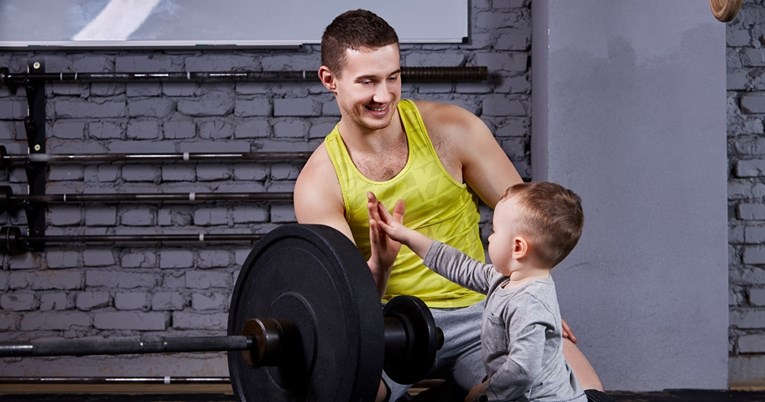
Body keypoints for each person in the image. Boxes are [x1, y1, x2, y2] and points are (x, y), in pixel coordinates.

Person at [293, 8, 603, 402]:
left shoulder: (453, 129)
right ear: (329, 80)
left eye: (393, 77)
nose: (383, 95)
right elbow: (349, 307)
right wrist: (380, 266)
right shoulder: (318, 183)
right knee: (346, 393)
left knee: (585, 391)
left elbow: (536, 224)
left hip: (483, 312)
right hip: (391, 325)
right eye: (367, 82)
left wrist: (529, 302)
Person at [371, 181, 600, 402]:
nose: (489, 236)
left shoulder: (529, 304)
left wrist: (487, 391)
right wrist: (407, 236)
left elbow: (523, 369)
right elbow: (458, 265)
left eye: (495, 230)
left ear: (518, 247)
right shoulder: (504, 279)